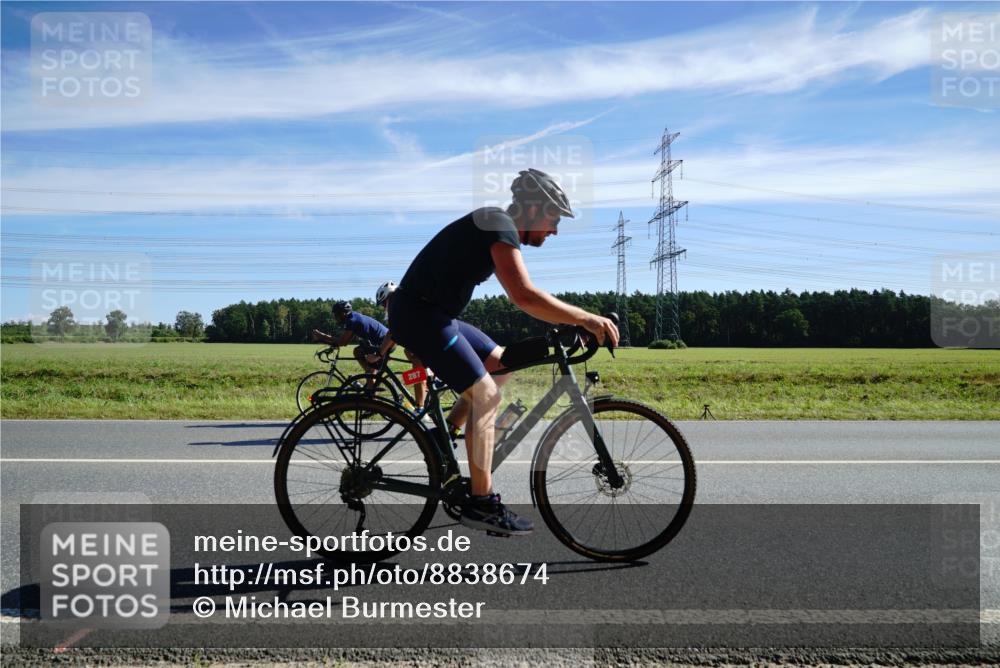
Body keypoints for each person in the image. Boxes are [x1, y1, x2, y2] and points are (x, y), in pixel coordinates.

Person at [387, 168, 619, 536]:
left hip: (434, 315)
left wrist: (566, 328)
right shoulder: (498, 225)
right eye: (554, 218)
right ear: (532, 208)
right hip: (421, 315)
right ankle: (482, 502)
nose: (555, 230)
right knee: (487, 397)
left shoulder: (497, 225)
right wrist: (587, 319)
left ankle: (443, 434)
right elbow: (524, 295)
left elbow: (525, 300)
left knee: (500, 362)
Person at [310, 301, 388, 388]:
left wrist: (322, 336)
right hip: (378, 342)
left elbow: (342, 342)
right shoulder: (352, 317)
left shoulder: (352, 321)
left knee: (370, 375)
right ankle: (371, 377)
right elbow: (345, 342)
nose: (335, 318)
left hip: (384, 342)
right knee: (357, 351)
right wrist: (325, 340)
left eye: (336, 315)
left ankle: (372, 398)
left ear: (343, 313)